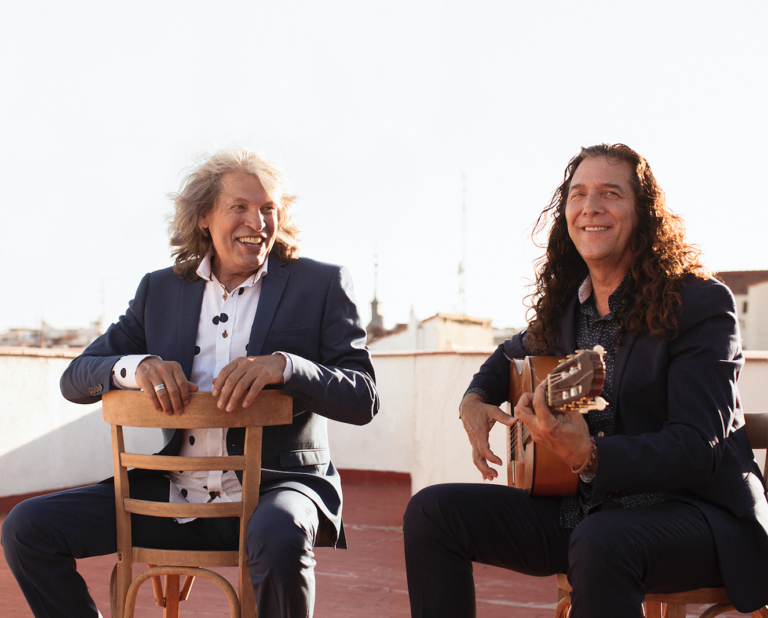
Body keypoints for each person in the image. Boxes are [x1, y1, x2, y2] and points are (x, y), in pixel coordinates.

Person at [1, 148, 379, 618]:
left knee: (280, 537)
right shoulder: (159, 291)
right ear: (204, 217)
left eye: (268, 209)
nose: (256, 221)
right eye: (239, 206)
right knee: (27, 527)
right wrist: (134, 366)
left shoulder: (321, 284)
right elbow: (75, 378)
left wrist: (286, 365)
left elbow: (363, 397)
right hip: (172, 493)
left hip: (277, 490)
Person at [403, 144, 768, 617]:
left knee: (601, 541)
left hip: (695, 517)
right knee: (432, 514)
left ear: (643, 214)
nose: (590, 207)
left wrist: (590, 455)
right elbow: (506, 356)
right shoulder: (564, 312)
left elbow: (698, 447)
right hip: (584, 516)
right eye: (578, 195)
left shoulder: (699, 305)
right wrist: (474, 400)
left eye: (610, 193)